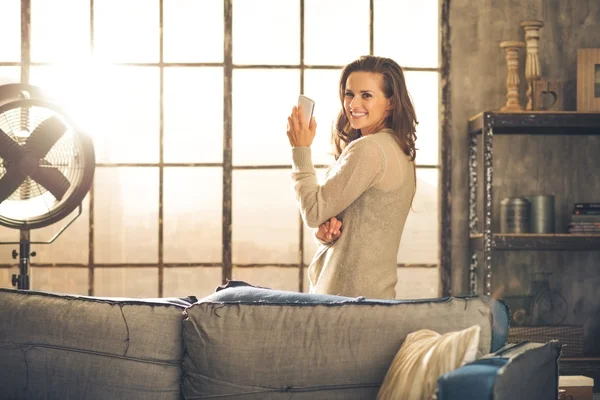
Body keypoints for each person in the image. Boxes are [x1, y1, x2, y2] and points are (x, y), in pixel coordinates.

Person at [286, 55, 417, 300]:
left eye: (366, 95)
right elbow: (364, 229)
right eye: (349, 94)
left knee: (236, 296)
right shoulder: (398, 149)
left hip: (346, 303)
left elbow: (313, 212)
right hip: (370, 299)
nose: (353, 104)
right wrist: (327, 236)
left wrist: (300, 149)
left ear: (390, 102)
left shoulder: (369, 149)